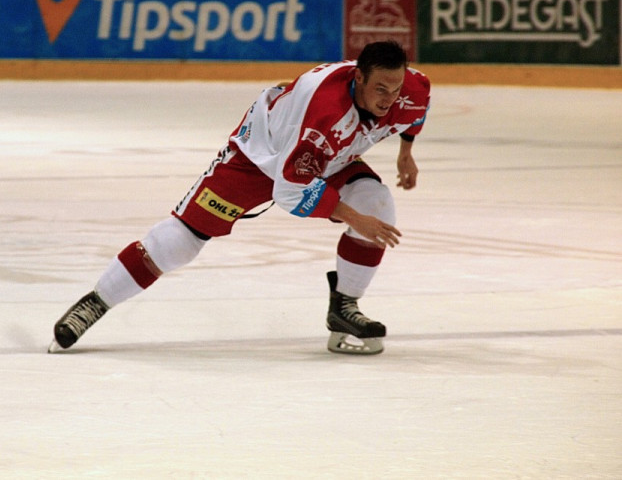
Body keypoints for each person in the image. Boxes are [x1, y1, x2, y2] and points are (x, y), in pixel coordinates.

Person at [49, 41, 431, 356]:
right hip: (259, 156)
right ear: (358, 77)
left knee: (377, 203)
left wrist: (406, 152)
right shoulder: (323, 114)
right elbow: (289, 191)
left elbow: (416, 107)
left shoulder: (410, 88)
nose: (389, 98)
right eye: (380, 89)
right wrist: (354, 218)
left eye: (395, 88)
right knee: (180, 243)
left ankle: (344, 308)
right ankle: (95, 302)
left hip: (326, 155)